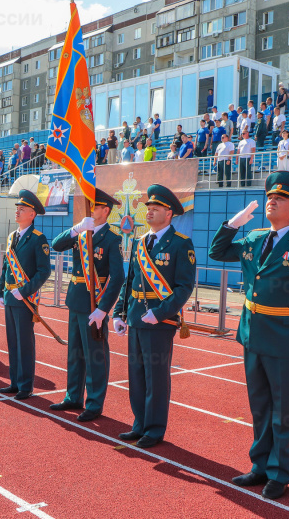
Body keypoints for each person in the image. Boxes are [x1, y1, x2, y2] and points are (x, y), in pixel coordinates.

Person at [209, 171, 289, 499]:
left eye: (280, 198)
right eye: (269, 197)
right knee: (260, 407)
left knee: (283, 410)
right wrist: (232, 224)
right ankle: (260, 466)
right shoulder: (254, 239)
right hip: (252, 336)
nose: (271, 201)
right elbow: (217, 252)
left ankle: (279, 473)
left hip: (287, 342)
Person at [112, 184, 195, 448]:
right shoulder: (139, 242)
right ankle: (139, 423)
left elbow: (184, 287)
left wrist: (159, 313)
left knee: (156, 377)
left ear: (169, 213)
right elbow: (130, 280)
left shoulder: (181, 244)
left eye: (155, 208)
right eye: (148, 207)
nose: (149, 211)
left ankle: (155, 428)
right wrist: (119, 312)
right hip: (136, 317)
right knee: (136, 375)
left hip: (159, 321)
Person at [50, 189, 125, 422]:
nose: (90, 210)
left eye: (95, 207)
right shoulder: (82, 234)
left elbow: (118, 277)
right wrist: (76, 229)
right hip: (76, 299)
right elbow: (56, 245)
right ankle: (73, 396)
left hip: (95, 303)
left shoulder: (112, 239)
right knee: (75, 353)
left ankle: (94, 402)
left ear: (106, 211)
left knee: (95, 356)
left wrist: (103, 309)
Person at [0, 190, 51, 400]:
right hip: (10, 296)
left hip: (24, 298)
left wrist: (24, 291)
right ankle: (15, 382)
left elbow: (44, 271)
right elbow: (7, 267)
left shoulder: (38, 239)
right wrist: (0, 291)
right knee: (12, 342)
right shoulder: (12, 236)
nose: (17, 212)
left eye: (22, 210)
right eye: (17, 209)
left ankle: (26, 386)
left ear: (32, 215)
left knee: (25, 343)